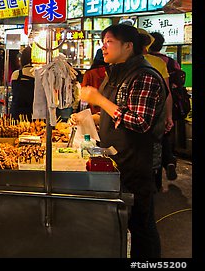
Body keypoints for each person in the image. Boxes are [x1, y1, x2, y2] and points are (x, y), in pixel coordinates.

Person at [70, 23, 167, 258]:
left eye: (109, 42)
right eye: (102, 42)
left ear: (128, 46)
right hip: (116, 161)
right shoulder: (115, 72)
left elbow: (140, 121)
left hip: (136, 163)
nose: (103, 47)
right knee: (121, 223)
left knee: (141, 225)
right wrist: (88, 117)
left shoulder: (145, 76)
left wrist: (98, 99)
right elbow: (115, 114)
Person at [138, 29, 174, 192]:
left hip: (136, 120)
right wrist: (169, 116)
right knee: (155, 149)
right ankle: (155, 184)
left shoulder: (121, 63)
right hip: (156, 115)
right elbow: (167, 92)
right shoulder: (159, 62)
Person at [149, 31, 180, 181]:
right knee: (163, 139)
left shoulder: (143, 60)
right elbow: (168, 91)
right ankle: (168, 161)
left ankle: (156, 178)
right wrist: (169, 115)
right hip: (164, 108)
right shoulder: (168, 62)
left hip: (148, 108)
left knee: (150, 144)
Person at [9, 46, 35, 120]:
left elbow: (13, 89)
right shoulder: (39, 74)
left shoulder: (16, 74)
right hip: (33, 112)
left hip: (17, 112)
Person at [81, 48, 108, 114]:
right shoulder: (110, 72)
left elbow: (83, 90)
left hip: (92, 110)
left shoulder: (89, 73)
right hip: (108, 109)